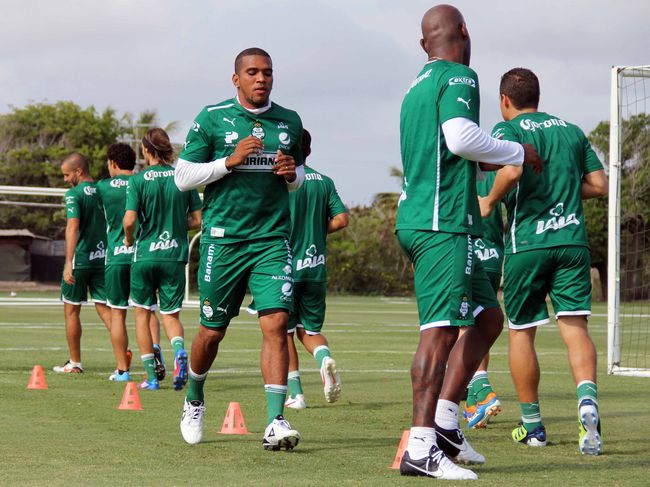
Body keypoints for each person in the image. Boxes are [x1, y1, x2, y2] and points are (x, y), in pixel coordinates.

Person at [395, 5, 543, 480]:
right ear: (464, 31)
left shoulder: (416, 86)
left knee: (488, 317)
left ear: (424, 44)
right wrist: (519, 151)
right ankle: (421, 449)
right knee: (439, 330)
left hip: (424, 215)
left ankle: (443, 423)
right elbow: (460, 139)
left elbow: (450, 152)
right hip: (441, 223)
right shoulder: (459, 75)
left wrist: (496, 160)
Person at [174, 47, 306, 451]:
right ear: (236, 79)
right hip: (224, 242)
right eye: (252, 72)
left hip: (271, 240)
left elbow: (298, 177)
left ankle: (275, 420)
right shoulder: (212, 118)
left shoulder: (290, 121)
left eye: (267, 72)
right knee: (211, 332)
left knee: (277, 323)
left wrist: (292, 174)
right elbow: (182, 177)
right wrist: (228, 162)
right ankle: (194, 398)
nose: (261, 78)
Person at [479, 67, 608, 455]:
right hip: (572, 242)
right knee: (575, 327)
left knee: (521, 331)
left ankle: (533, 426)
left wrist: (489, 201)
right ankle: (587, 400)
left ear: (504, 100)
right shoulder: (571, 131)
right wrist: (563, 192)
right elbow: (599, 184)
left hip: (528, 245)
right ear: (537, 96)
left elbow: (512, 170)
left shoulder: (507, 130)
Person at [123, 128, 202, 390]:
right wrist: (178, 226)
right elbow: (198, 220)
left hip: (145, 255)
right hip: (174, 256)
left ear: (146, 150)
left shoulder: (138, 180)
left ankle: (151, 378)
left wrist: (129, 238)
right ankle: (179, 351)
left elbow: (129, 220)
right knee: (170, 316)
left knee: (142, 314)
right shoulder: (183, 178)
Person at [282, 129, 349, 410]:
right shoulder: (324, 181)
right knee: (309, 330)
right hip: (315, 268)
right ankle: (324, 359)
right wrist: (319, 231)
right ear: (308, 151)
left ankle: (296, 394)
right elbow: (342, 219)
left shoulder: (280, 182)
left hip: (283, 267)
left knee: (283, 334)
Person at [96, 143, 165, 381]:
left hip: (116, 256)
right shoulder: (142, 181)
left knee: (117, 313)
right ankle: (154, 351)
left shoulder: (103, 187)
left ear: (112, 163)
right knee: (147, 310)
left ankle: (123, 370)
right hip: (142, 254)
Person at [54, 152, 111, 373]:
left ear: (78, 171)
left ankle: (75, 363)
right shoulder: (104, 190)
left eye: (67, 175)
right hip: (103, 258)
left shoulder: (73, 194)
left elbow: (72, 226)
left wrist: (68, 262)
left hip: (81, 260)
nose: (65, 180)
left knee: (71, 311)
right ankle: (122, 358)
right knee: (105, 308)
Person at [461, 170, 504, 429]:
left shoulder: (453, 167)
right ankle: (472, 403)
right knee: (480, 327)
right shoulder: (497, 170)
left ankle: (482, 391)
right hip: (492, 257)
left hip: (463, 253)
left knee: (461, 326)